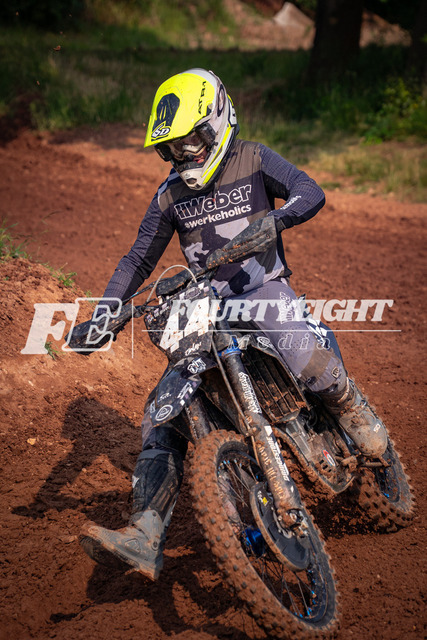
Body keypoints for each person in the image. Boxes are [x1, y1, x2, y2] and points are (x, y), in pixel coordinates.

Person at [80, 68, 387, 579]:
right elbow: (136, 260)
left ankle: (351, 408)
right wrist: (104, 313)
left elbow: (309, 190)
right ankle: (145, 533)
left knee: (297, 347)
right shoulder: (170, 196)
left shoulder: (253, 158)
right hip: (207, 306)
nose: (185, 155)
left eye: (191, 141)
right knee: (161, 413)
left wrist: (277, 220)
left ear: (217, 120)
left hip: (261, 290)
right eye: (172, 148)